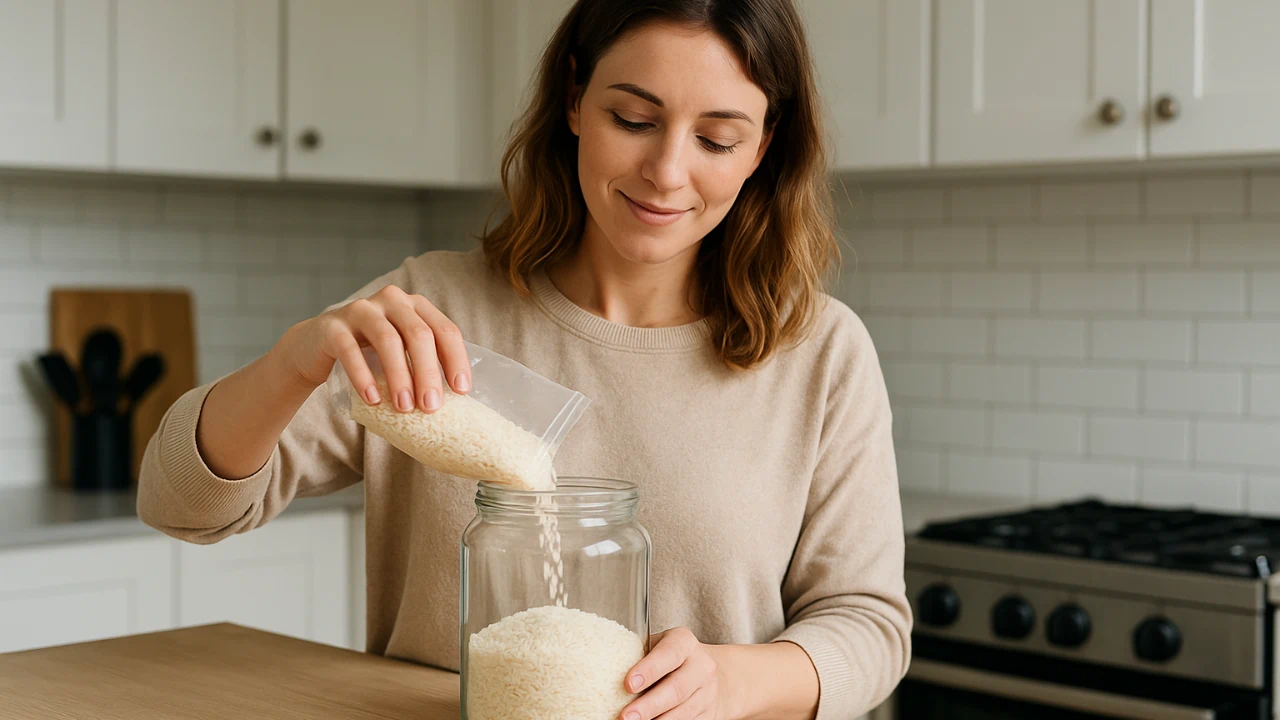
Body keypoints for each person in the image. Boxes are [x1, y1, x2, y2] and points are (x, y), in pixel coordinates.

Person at [137, 0, 911, 717]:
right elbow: (179, 504)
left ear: (763, 149)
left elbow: (870, 625)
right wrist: (291, 364)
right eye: (634, 118)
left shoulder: (818, 352)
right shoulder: (432, 312)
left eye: (717, 138)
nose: (668, 171)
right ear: (574, 99)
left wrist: (734, 678)